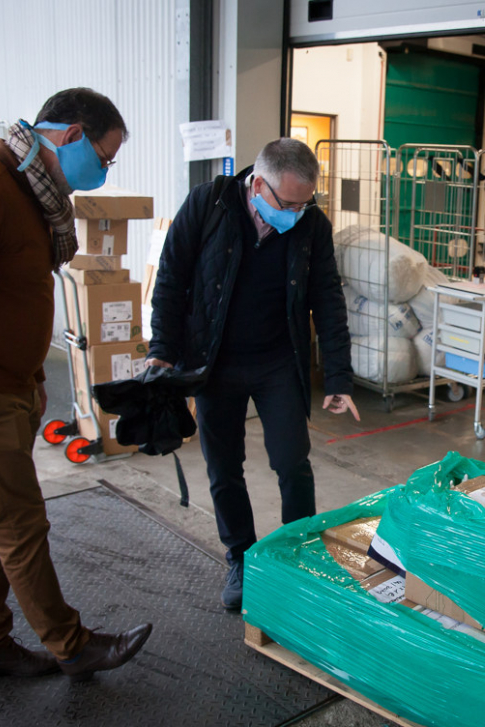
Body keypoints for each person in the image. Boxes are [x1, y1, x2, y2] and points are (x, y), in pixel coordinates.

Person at [0, 88, 153, 683]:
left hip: (10, 388)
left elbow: (12, 301)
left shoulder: (30, 198)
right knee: (19, 521)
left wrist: (35, 377)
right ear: (69, 136)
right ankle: (72, 645)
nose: (104, 171)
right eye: (105, 156)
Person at [147, 138, 358, 611]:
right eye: (289, 204)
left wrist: (339, 377)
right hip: (213, 361)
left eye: (307, 204)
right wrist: (162, 350)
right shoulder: (208, 203)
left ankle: (297, 554)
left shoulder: (311, 225)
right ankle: (240, 558)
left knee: (291, 461)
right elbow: (171, 278)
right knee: (224, 469)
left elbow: (327, 298)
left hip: (277, 361)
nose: (298, 213)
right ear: (258, 184)